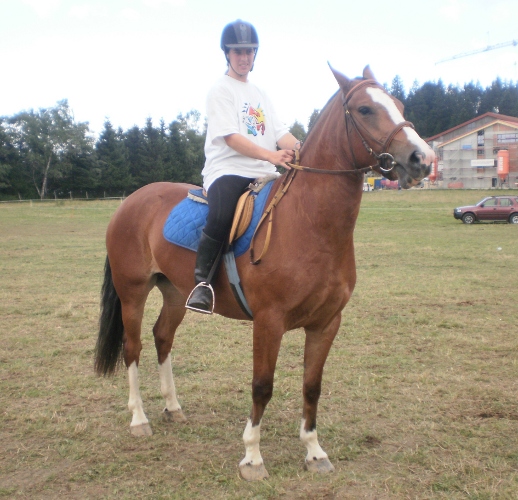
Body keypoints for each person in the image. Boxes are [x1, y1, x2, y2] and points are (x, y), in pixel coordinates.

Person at [185, 19, 300, 314]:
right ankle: (203, 284)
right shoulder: (220, 90)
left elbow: (280, 134)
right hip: (227, 170)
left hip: (263, 172)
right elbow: (232, 139)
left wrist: (302, 148)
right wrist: (272, 156)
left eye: (249, 51)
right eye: (238, 51)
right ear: (227, 53)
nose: (244, 57)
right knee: (222, 213)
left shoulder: (261, 94)